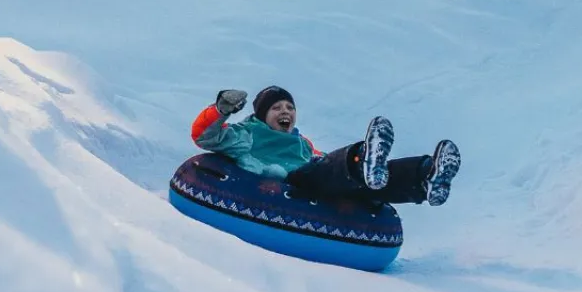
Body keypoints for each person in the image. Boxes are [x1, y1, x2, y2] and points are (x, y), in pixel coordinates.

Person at [190, 85, 461, 206]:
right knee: (322, 172)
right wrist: (221, 110)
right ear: (262, 114)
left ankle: (425, 176)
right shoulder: (247, 133)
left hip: (315, 181)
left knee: (366, 183)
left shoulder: (301, 142)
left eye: (290, 107)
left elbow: (323, 160)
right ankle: (362, 159)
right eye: (276, 107)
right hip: (289, 183)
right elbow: (206, 136)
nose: (285, 112)